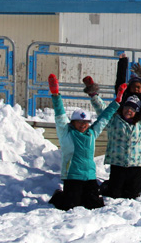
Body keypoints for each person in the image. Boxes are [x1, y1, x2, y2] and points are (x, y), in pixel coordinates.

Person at [48, 74, 121, 211]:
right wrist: (56, 94)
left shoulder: (91, 133)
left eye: (86, 122)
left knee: (95, 205)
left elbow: (104, 118)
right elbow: (60, 115)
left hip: (89, 176)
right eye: (79, 122)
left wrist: (117, 101)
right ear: (73, 123)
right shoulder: (66, 133)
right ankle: (58, 195)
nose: (83, 125)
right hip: (72, 176)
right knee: (70, 205)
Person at [92, 59, 141, 199]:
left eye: (132, 109)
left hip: (135, 165)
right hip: (118, 164)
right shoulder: (114, 121)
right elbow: (102, 110)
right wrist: (93, 95)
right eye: (127, 108)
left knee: (132, 195)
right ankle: (108, 186)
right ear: (123, 107)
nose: (129, 111)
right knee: (115, 195)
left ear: (136, 111)